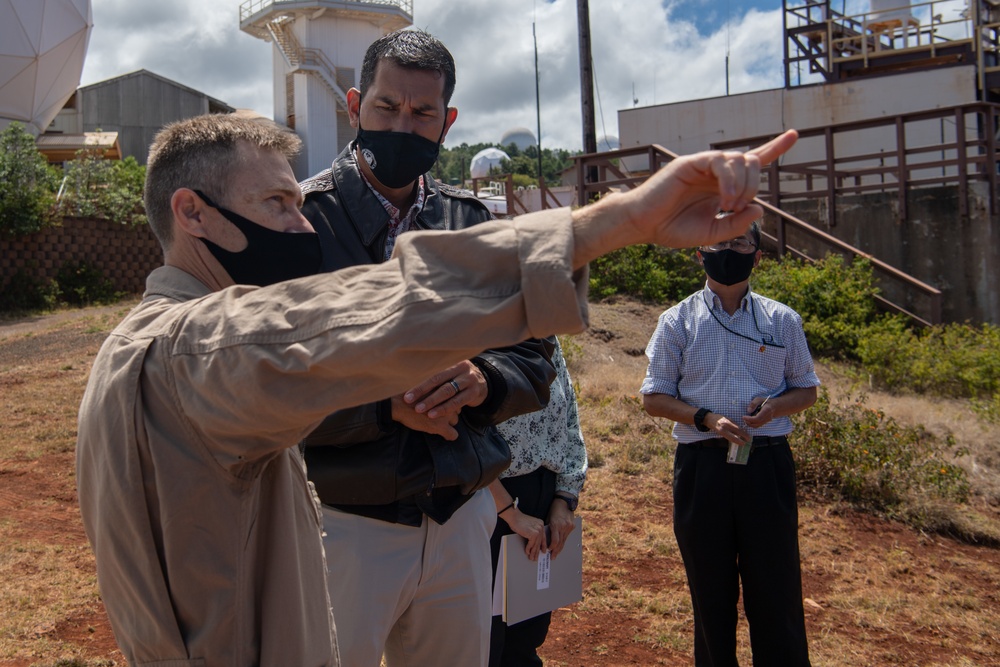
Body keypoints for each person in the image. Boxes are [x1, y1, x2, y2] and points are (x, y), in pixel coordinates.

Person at [74, 108, 798, 666]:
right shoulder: (189, 352)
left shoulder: (135, 346)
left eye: (299, 203)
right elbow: (379, 311)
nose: (301, 225)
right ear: (191, 212)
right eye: (277, 205)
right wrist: (619, 221)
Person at [297, 29, 555, 667]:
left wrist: (484, 379)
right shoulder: (299, 224)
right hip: (342, 522)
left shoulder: (472, 225)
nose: (403, 126)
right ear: (354, 105)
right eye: (387, 108)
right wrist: (384, 408)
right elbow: (262, 379)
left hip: (459, 517)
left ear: (449, 122)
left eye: (422, 114)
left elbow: (535, 358)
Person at [639, 220, 820, 667]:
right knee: (710, 592)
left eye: (741, 242)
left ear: (757, 257)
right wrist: (706, 419)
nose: (730, 250)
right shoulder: (676, 320)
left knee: (776, 590)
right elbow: (654, 397)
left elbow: (807, 388)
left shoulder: (783, 320)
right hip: (702, 469)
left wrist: (775, 408)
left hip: (767, 466)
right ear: (700, 253)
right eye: (720, 242)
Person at [488, 337, 586, 667]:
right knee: (484, 640)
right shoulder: (473, 330)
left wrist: (564, 499)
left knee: (525, 640)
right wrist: (507, 512)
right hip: (485, 500)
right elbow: (461, 432)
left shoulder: (547, 338)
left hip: (543, 500)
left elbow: (570, 417)